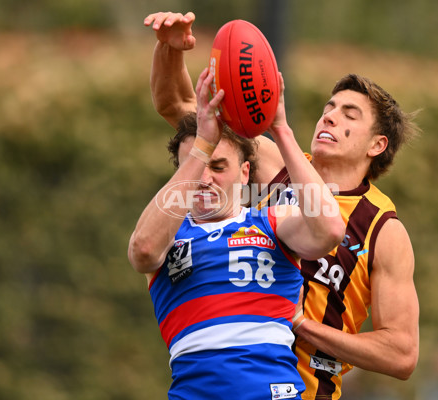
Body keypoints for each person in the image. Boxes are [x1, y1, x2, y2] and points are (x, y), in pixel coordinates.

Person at [144, 11, 420, 400]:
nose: (330, 115)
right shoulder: (275, 165)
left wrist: (303, 326)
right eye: (330, 106)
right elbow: (179, 104)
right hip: (231, 383)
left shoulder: (382, 228)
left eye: (349, 114)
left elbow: (402, 353)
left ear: (377, 145)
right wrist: (169, 50)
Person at [128, 66, 345, 399]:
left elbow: (330, 229)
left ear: (245, 173)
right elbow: (142, 252)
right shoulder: (168, 231)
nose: (205, 178)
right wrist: (201, 146)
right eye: (197, 166)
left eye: (218, 167)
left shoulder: (273, 221)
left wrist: (281, 129)